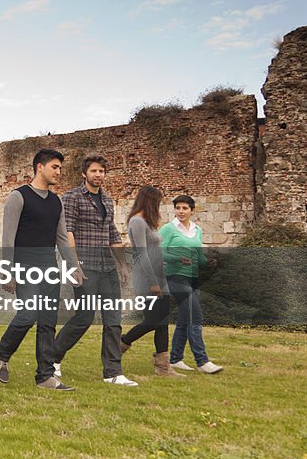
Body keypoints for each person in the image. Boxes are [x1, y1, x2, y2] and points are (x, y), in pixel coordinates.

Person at [0, 148, 81, 391]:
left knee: (48, 321)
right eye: (55, 167)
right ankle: (2, 353)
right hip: (24, 265)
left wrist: (73, 266)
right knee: (28, 315)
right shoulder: (18, 197)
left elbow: (62, 238)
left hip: (48, 266)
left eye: (60, 168)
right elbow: (8, 238)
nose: (59, 172)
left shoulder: (57, 201)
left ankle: (45, 376)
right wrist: (7, 270)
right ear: (39, 167)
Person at [54, 155, 137, 387]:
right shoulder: (72, 197)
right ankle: (53, 357)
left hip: (107, 267)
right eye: (94, 171)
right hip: (85, 266)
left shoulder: (108, 201)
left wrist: (122, 264)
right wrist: (74, 265)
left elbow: (113, 235)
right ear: (84, 173)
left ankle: (113, 372)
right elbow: (67, 232)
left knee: (113, 319)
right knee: (84, 317)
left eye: (101, 171)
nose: (98, 175)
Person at [121, 185, 183, 377]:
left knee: (162, 322)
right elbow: (142, 254)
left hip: (158, 276)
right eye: (157, 202)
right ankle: (119, 344)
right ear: (150, 201)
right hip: (147, 277)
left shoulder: (146, 224)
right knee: (153, 320)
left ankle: (163, 367)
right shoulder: (137, 222)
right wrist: (153, 282)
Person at [159, 195, 223, 374]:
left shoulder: (197, 230)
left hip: (192, 278)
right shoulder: (168, 229)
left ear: (192, 210)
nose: (181, 211)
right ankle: (202, 361)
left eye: (184, 208)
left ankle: (175, 359)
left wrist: (207, 262)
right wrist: (178, 258)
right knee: (195, 316)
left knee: (184, 319)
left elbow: (198, 255)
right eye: (178, 208)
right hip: (175, 277)